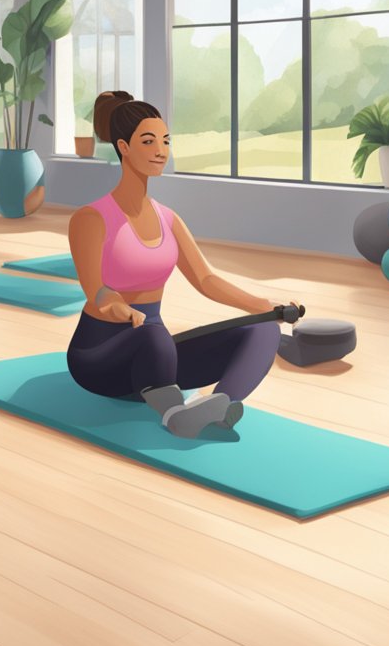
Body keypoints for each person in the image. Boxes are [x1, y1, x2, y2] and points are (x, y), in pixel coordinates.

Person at [66, 91, 288, 438]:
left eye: (166, 141)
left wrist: (263, 306)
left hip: (157, 358)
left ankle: (219, 405)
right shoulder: (91, 218)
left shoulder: (169, 219)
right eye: (149, 140)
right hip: (100, 357)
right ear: (124, 147)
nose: (161, 150)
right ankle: (173, 415)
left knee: (262, 330)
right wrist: (121, 310)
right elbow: (96, 292)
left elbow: (205, 279)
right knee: (152, 333)